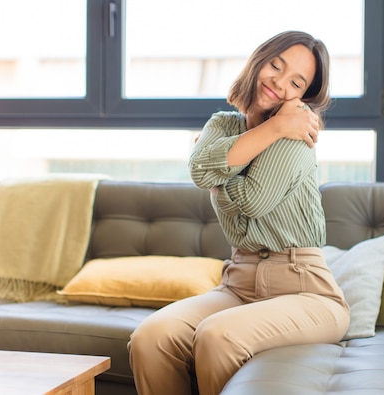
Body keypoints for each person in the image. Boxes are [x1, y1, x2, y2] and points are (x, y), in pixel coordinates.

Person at [128, 30, 350, 395]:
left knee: (217, 335)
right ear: (259, 61)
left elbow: (250, 201)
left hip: (307, 291)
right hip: (239, 283)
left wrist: (222, 166)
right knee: (151, 336)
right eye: (276, 66)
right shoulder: (223, 124)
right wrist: (271, 126)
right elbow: (199, 171)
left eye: (296, 82)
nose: (280, 83)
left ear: (304, 96)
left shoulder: (297, 135)